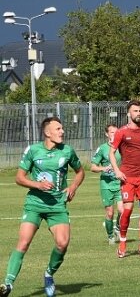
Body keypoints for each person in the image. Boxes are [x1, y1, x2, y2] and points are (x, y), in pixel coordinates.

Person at [0, 117, 85, 297]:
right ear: (47, 132)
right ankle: (7, 284)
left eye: (62, 128)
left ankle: (48, 274)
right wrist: (37, 185)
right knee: (23, 243)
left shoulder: (67, 151)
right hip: (35, 204)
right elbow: (19, 178)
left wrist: (73, 187)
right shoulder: (33, 150)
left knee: (62, 244)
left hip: (57, 205)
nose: (62, 131)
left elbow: (80, 172)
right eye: (58, 128)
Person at [110, 100, 140, 258]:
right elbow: (112, 153)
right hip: (128, 178)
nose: (139, 113)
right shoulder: (122, 132)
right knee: (127, 210)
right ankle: (122, 243)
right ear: (129, 113)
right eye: (135, 111)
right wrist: (117, 170)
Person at [89, 123, 123, 244]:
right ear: (107, 134)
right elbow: (92, 167)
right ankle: (110, 236)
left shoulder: (122, 146)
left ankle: (118, 228)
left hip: (120, 184)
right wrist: (103, 169)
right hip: (106, 185)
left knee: (123, 211)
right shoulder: (102, 149)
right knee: (110, 212)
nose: (115, 134)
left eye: (116, 132)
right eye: (112, 132)